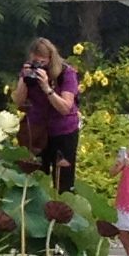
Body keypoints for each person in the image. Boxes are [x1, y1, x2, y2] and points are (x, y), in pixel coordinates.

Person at [15, 35, 83, 192]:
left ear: (50, 59)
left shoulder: (66, 73)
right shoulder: (29, 70)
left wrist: (46, 87)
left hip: (63, 131)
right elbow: (19, 102)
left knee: (63, 180)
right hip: (37, 131)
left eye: (42, 62)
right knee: (36, 178)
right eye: (35, 62)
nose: (38, 66)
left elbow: (65, 108)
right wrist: (24, 80)